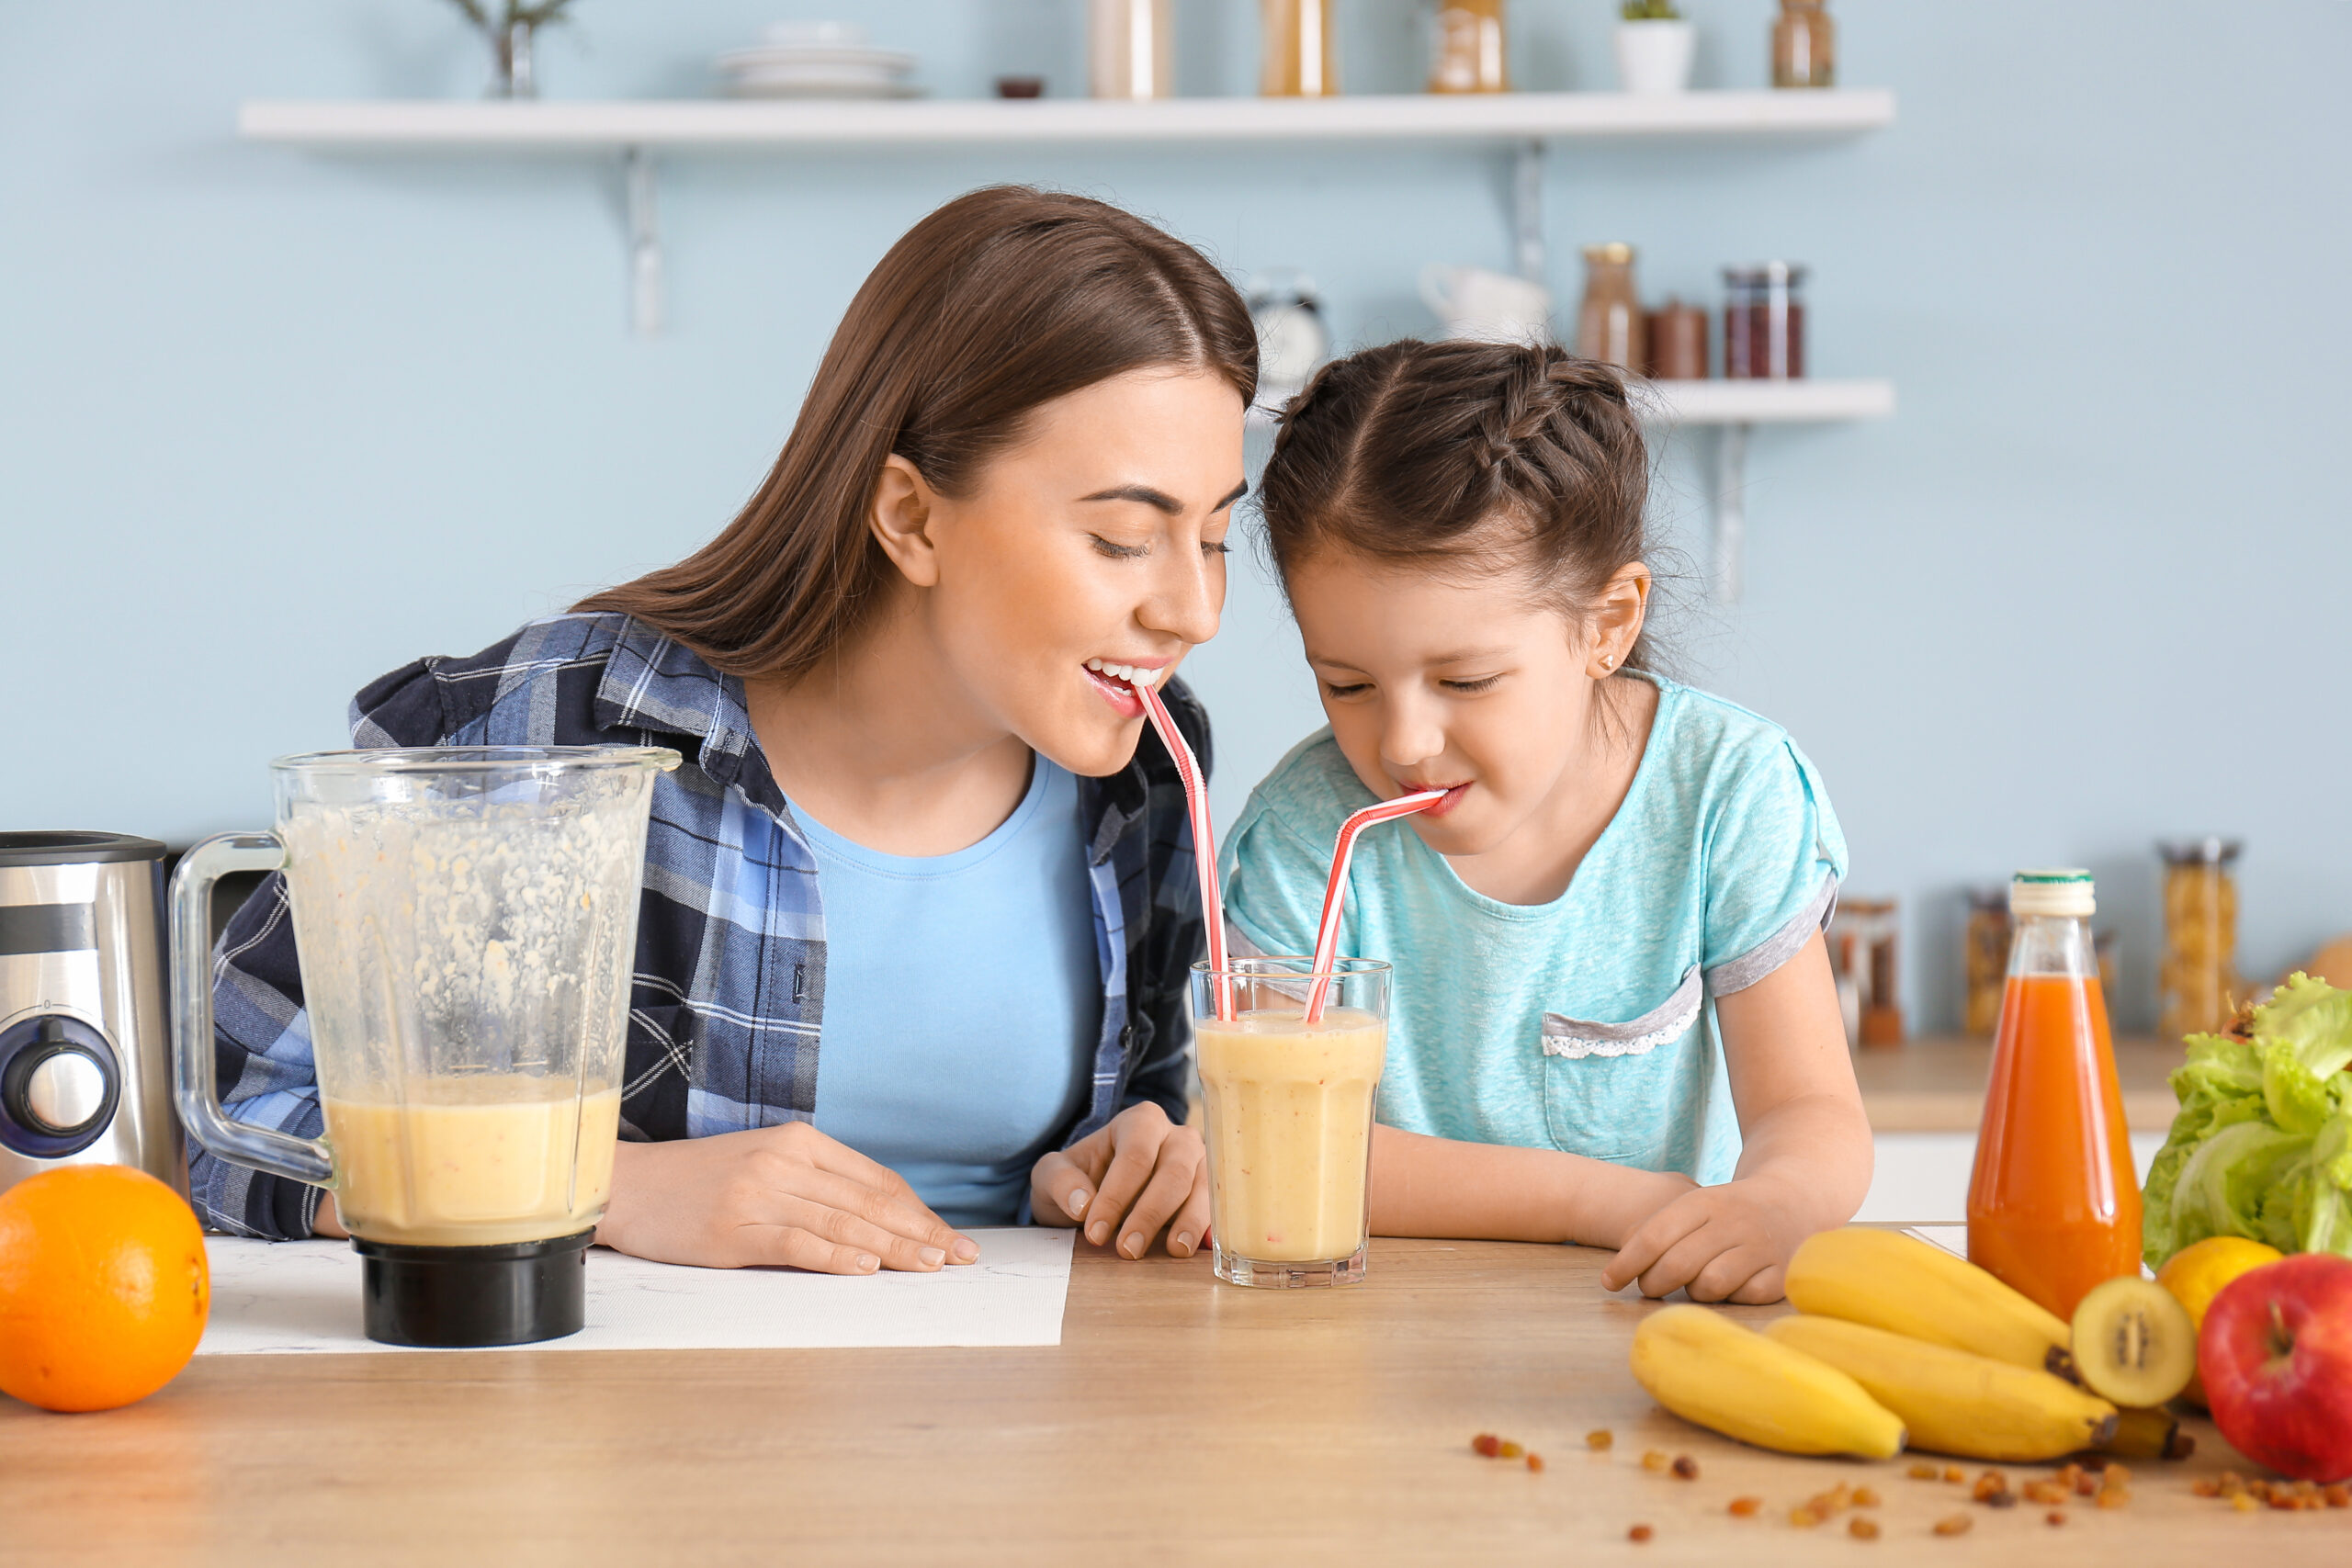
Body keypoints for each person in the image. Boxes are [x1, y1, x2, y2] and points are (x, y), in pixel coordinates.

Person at [193, 186, 1257, 1274]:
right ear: (910, 515)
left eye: (1216, 537)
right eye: (1126, 537)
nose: (1194, 612)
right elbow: (218, 1126)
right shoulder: (550, 731)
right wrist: (598, 1188)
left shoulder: (1150, 772)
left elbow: (1141, 1110)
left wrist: (1133, 1160)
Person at [1221, 339, 1871, 1303]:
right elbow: (1275, 1143)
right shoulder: (1307, 831)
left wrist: (1777, 1203)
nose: (1402, 743)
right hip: (1375, 1340)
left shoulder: (1726, 794)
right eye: (1345, 683)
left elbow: (1810, 1111)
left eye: (1464, 680)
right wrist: (1601, 1202)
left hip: (1645, 1322)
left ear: (1605, 625)